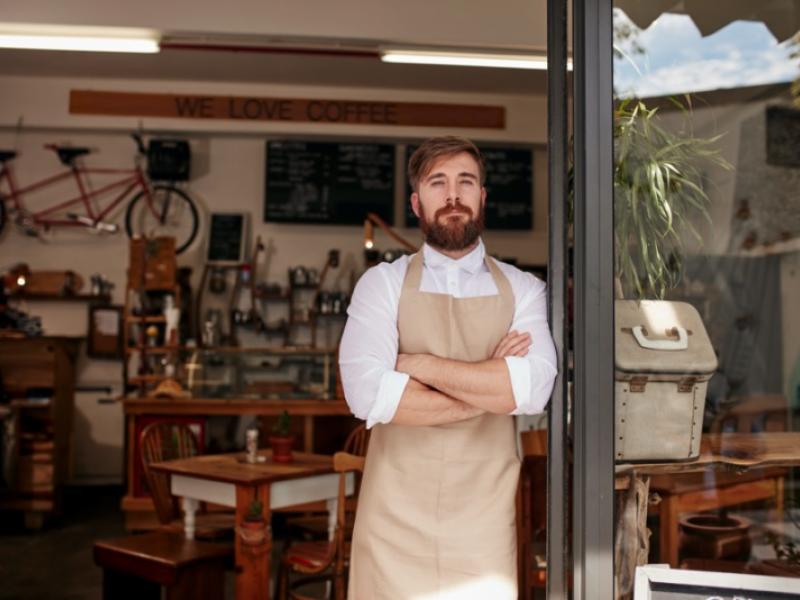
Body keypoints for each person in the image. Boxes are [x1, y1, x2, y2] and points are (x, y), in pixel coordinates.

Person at [338, 135, 557, 599]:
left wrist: (415, 364)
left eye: (466, 182)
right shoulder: (381, 285)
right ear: (417, 203)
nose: (453, 195)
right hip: (391, 519)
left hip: (485, 520)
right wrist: (489, 381)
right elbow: (367, 395)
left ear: (483, 198)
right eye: (438, 183)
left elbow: (531, 391)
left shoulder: (525, 289)